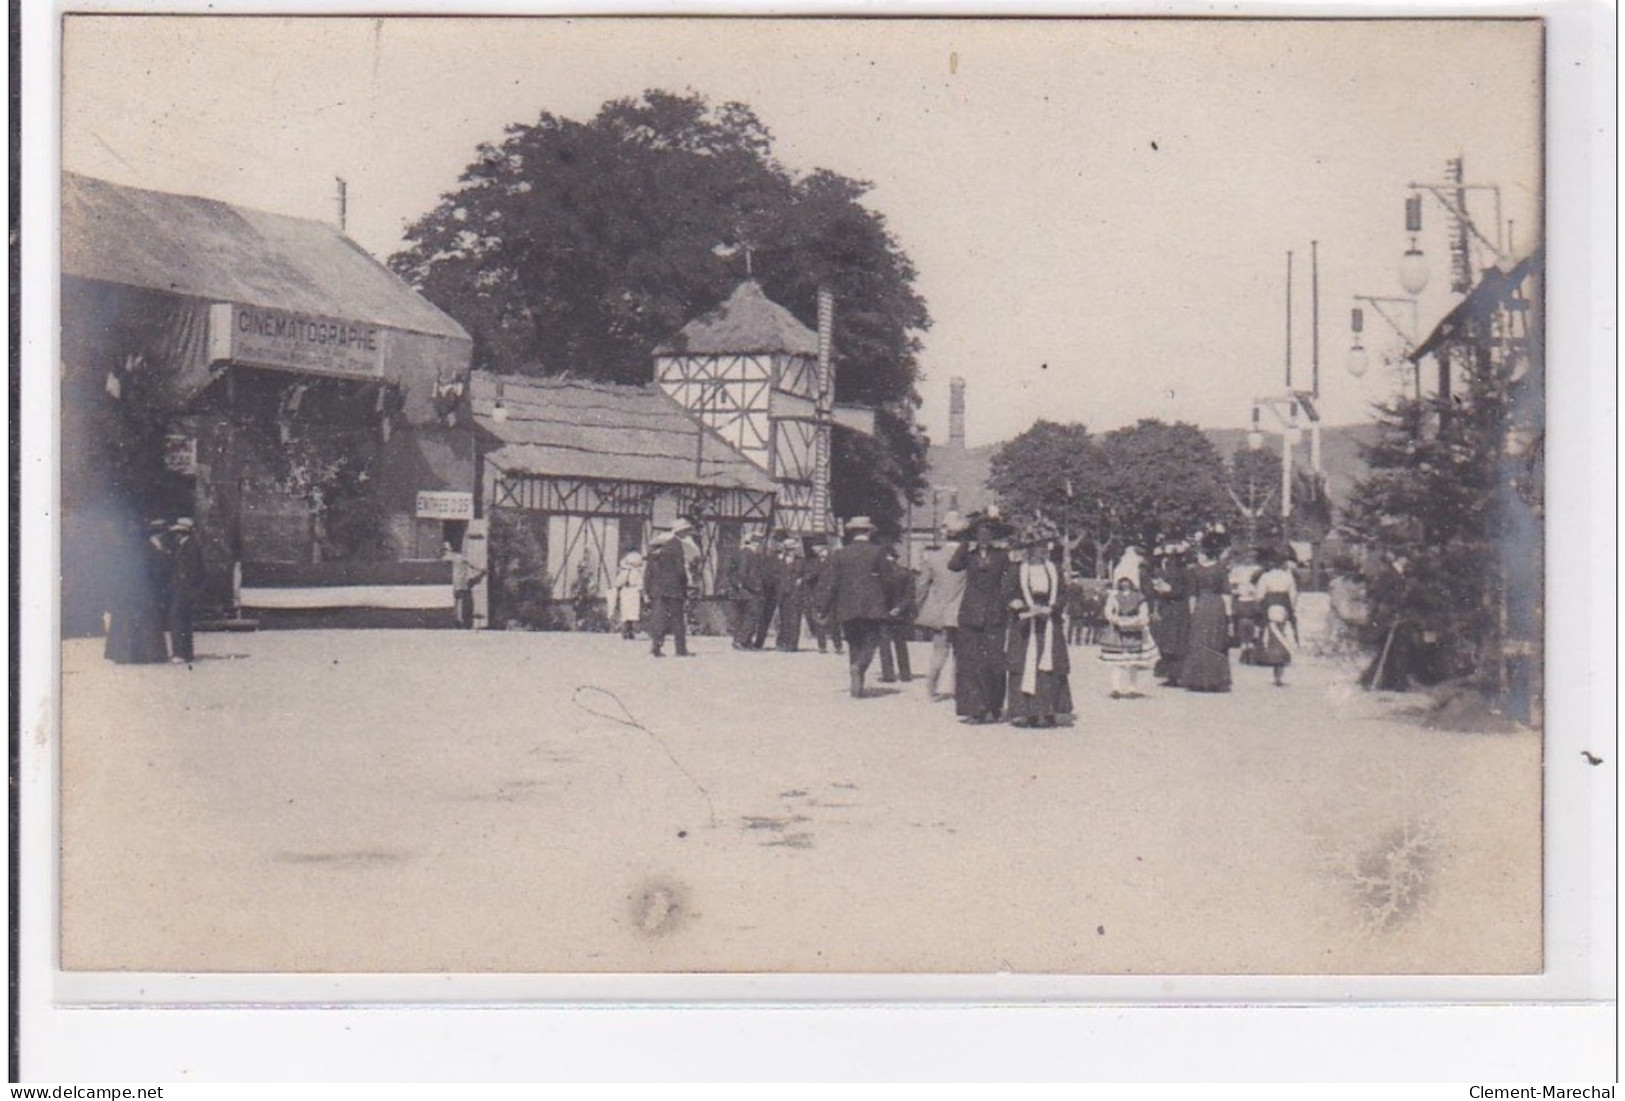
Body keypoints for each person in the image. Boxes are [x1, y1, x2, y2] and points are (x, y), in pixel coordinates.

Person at [1002, 521, 1072, 726]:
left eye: (1044, 545)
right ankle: (1028, 712)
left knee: (1049, 665)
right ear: (1029, 548)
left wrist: (1051, 608)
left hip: (1049, 621)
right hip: (1026, 625)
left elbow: (1063, 594)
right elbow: (1007, 593)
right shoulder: (1017, 570)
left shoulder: (1054, 569)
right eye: (1036, 546)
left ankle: (1048, 711)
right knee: (1025, 663)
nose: (1041, 550)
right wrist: (1017, 604)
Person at [814, 516, 892, 698]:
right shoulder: (878, 552)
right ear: (869, 532)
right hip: (872, 605)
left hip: (846, 605)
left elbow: (830, 583)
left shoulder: (840, 554)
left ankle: (856, 685)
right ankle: (859, 668)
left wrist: (823, 608)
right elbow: (888, 579)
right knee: (872, 640)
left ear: (852, 532)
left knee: (854, 642)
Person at [948, 512, 1012, 724]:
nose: (984, 537)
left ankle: (994, 707)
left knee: (995, 662)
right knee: (970, 662)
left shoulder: (1002, 556)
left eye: (988, 533)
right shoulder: (968, 554)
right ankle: (974, 709)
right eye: (980, 533)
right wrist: (964, 543)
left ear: (992, 536)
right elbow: (953, 565)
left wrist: (1005, 603)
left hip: (995, 614)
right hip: (971, 613)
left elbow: (1008, 581)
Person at [912, 513, 968, 701]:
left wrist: (920, 608)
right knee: (960, 654)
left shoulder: (933, 557)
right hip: (962, 610)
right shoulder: (968, 558)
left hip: (939, 612)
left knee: (939, 652)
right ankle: (958, 690)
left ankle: (931, 689)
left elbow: (922, 585)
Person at [104, 516, 170, 665]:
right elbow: (158, 571)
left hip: (128, 590)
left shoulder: (125, 548)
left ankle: (124, 654)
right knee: (147, 623)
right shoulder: (150, 549)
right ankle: (150, 654)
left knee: (126, 622)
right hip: (144, 591)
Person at [1181, 530, 1234, 692]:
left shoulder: (1195, 570)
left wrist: (1191, 614)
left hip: (1201, 606)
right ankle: (1215, 680)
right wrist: (1229, 616)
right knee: (1215, 641)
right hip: (1217, 606)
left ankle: (1197, 679)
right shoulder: (1221, 569)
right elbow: (1226, 593)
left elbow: (1192, 595)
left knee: (1198, 641)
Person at [1099, 573, 1159, 698]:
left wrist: (1136, 621)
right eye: (1122, 581)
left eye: (1127, 581)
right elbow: (1108, 611)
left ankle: (1133, 688)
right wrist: (1116, 620)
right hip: (1117, 631)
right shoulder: (1114, 596)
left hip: (1134, 630)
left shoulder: (1139, 597)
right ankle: (1116, 687)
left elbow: (1144, 613)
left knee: (1133, 661)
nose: (1125, 584)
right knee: (1117, 661)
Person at [644, 519, 695, 658]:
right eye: (686, 530)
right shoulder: (676, 545)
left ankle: (656, 645)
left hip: (658, 589)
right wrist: (685, 584)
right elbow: (680, 570)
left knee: (660, 618)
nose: (687, 533)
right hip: (674, 589)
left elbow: (649, 572)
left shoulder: (657, 549)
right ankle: (680, 649)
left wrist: (647, 589)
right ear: (681, 531)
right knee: (677, 619)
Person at [1148, 543, 1192, 685]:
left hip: (1173, 609)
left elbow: (1182, 591)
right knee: (1175, 641)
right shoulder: (1183, 571)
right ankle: (1174, 674)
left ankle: (1174, 675)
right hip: (1175, 609)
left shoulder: (1176, 572)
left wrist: (1166, 591)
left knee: (1172, 641)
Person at [1254, 548, 1299, 686]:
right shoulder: (1288, 577)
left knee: (1272, 634)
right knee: (1282, 633)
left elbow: (1259, 595)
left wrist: (1259, 606)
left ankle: (1273, 664)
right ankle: (1280, 668)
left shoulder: (1266, 577)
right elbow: (1293, 595)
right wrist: (1290, 609)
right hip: (1283, 606)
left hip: (1270, 606)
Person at [166, 517, 206, 662]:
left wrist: (188, 588)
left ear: (182, 533)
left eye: (177, 533)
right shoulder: (186, 546)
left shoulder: (189, 547)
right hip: (183, 589)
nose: (175, 536)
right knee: (182, 620)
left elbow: (194, 570)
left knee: (178, 619)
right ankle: (184, 652)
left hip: (184, 589)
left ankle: (180, 653)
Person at [877, 544, 916, 683]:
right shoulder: (906, 573)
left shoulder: (880, 575)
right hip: (900, 613)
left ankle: (888, 674)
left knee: (884, 644)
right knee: (901, 643)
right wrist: (899, 608)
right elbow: (910, 595)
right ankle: (905, 674)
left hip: (883, 612)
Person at [801, 541, 842, 654]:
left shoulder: (833, 560)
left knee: (834, 622)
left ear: (822, 547)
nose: (813, 550)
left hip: (831, 594)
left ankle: (838, 646)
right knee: (819, 621)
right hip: (818, 594)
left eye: (815, 547)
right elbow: (811, 575)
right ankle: (822, 646)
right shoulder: (816, 561)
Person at [728, 533, 765, 650]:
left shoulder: (738, 553)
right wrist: (755, 587)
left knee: (741, 617)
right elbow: (743, 574)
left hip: (738, 592)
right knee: (752, 616)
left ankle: (741, 641)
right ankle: (742, 640)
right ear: (756, 543)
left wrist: (735, 584)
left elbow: (730, 572)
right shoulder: (749, 555)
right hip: (748, 591)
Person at [774, 537, 808, 652]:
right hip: (783, 594)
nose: (791, 552)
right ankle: (781, 642)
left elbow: (807, 574)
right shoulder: (779, 561)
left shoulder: (801, 561)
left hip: (795, 594)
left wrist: (801, 580)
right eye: (788, 550)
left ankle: (792, 644)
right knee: (783, 619)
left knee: (794, 619)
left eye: (792, 549)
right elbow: (775, 575)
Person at [751, 533, 782, 650]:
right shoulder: (766, 560)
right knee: (764, 618)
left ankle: (782, 642)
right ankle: (759, 642)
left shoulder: (775, 559)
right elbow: (765, 575)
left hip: (780, 592)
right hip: (769, 592)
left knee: (782, 618)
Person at [608, 549, 645, 640]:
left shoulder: (623, 573)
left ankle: (626, 631)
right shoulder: (637, 573)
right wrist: (642, 595)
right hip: (633, 592)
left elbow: (618, 583)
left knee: (627, 612)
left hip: (626, 591)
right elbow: (640, 585)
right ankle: (629, 631)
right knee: (631, 612)